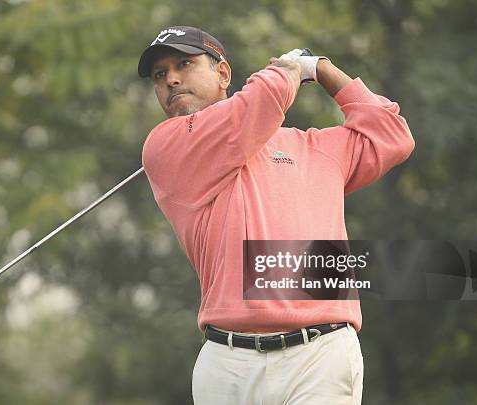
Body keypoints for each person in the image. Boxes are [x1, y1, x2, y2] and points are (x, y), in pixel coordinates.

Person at [138, 26, 414, 404]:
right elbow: (261, 101)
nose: (170, 78)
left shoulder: (314, 147)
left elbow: (392, 134)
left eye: (184, 64)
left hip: (320, 354)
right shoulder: (165, 146)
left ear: (222, 74)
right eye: (159, 74)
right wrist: (291, 68)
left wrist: (321, 68)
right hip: (227, 362)